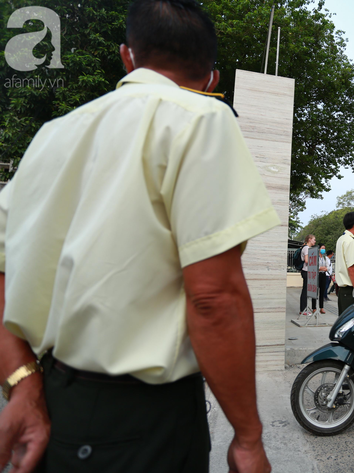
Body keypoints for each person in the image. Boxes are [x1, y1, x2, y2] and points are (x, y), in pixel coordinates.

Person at [0, 1, 278, 472]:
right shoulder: (203, 118)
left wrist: (23, 382)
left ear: (128, 57)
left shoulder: (53, 134)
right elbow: (213, 298)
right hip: (144, 422)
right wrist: (248, 436)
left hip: (52, 406)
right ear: (211, 79)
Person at [335, 212, 354, 315]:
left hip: (344, 291)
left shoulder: (341, 239)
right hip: (350, 290)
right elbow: (351, 268)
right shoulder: (350, 241)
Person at [299, 234, 317, 316]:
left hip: (307, 271)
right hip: (306, 271)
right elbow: (306, 260)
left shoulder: (308, 248)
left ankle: (304, 308)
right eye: (314, 239)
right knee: (305, 291)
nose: (315, 241)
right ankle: (303, 309)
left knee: (306, 290)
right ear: (309, 239)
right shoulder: (306, 248)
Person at [317, 245, 332, 313]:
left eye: (324, 248)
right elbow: (316, 266)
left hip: (323, 274)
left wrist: (322, 268)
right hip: (317, 275)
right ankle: (314, 307)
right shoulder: (316, 257)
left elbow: (328, 268)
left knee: (322, 291)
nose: (323, 250)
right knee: (315, 291)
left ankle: (321, 307)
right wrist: (321, 268)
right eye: (322, 248)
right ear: (319, 249)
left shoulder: (325, 258)